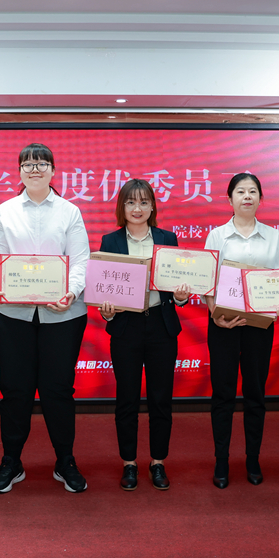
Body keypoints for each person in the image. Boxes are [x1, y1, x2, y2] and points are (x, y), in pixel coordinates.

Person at [0, 143, 90, 494]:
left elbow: (80, 260)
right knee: (15, 389)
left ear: (53, 171)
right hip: (12, 313)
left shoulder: (69, 211)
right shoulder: (5, 210)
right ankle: (11, 461)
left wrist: (70, 293)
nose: (34, 169)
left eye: (42, 164)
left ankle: (66, 461)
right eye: (28, 164)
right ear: (19, 172)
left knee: (58, 390)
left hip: (63, 315)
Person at [98, 179, 190, 491]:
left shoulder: (167, 239)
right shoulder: (110, 241)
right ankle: (129, 463)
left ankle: (158, 461)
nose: (137, 208)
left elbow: (176, 288)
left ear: (152, 207)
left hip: (161, 326)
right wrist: (107, 311)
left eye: (143, 202)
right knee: (126, 398)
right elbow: (103, 288)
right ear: (121, 207)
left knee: (161, 398)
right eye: (130, 202)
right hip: (126, 327)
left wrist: (180, 296)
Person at [202, 172, 279, 489]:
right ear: (230, 199)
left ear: (261, 199)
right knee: (222, 395)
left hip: (259, 327)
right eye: (240, 191)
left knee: (255, 394)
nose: (247, 196)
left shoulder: (273, 237)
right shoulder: (217, 236)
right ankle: (221, 461)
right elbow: (207, 281)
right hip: (223, 325)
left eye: (253, 191)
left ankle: (253, 459)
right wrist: (215, 314)